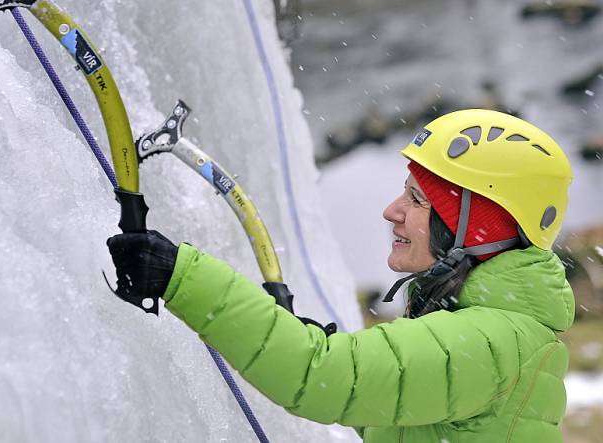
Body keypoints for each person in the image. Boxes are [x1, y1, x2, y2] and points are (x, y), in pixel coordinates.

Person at [107, 109, 575, 442]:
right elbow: (398, 416)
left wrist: (178, 275)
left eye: (416, 200)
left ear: (473, 228)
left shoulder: (490, 338)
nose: (391, 210)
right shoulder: (499, 330)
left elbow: (323, 376)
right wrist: (298, 340)